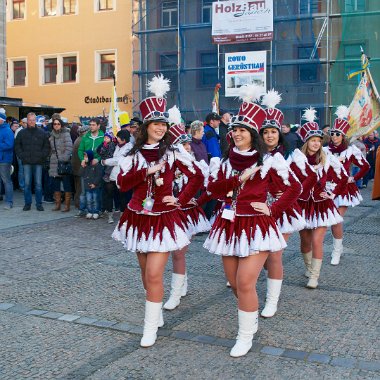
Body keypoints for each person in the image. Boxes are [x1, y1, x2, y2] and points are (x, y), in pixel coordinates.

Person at [203, 84, 301, 358]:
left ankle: (245, 334)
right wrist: (238, 179)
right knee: (234, 283)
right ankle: (252, 312)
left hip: (257, 226)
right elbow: (213, 190)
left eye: (242, 130)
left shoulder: (269, 160)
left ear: (253, 135)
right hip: (228, 225)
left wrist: (273, 209)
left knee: (245, 281)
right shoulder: (224, 162)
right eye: (234, 130)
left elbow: (294, 189)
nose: (236, 134)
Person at [112, 75, 202, 348]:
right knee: (145, 273)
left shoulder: (173, 152)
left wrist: (181, 198)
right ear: (147, 127)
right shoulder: (131, 153)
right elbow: (121, 183)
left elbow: (197, 176)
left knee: (153, 273)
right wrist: (145, 172)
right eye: (157, 124)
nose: (161, 128)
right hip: (137, 217)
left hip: (164, 218)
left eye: (164, 124)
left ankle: (149, 328)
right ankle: (157, 308)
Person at [258, 90, 307, 318]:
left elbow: (301, 183)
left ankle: (272, 300)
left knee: (275, 254)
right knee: (265, 255)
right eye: (265, 132)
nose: (269, 136)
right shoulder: (254, 155)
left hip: (282, 210)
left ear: (280, 133)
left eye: (273, 132)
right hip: (257, 211)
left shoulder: (291, 155)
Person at [295, 108, 348, 288]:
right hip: (302, 205)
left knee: (317, 241)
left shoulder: (327, 159)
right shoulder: (297, 160)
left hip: (321, 205)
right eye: (313, 140)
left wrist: (333, 193)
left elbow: (342, 177)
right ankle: (309, 267)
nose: (316, 143)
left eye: (318, 140)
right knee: (305, 242)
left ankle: (314, 276)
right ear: (306, 142)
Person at [163, 114, 211, 311]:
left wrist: (192, 199)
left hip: (188, 212)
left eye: (188, 144)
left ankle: (175, 293)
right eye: (184, 145)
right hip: (169, 211)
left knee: (179, 252)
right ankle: (182, 281)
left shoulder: (193, 164)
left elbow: (205, 185)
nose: (188, 148)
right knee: (173, 252)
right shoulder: (166, 162)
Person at [325, 106, 370, 265]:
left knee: (336, 219)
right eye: (332, 134)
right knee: (331, 220)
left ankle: (336, 251)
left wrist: (354, 177)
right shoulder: (325, 150)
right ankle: (339, 246)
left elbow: (365, 166)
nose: (334, 136)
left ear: (343, 135)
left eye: (338, 134)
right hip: (328, 189)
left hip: (344, 189)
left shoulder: (351, 150)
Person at [15, 112, 50, 211]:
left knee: (38, 184)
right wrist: (22, 156)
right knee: (27, 184)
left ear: (35, 120)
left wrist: (42, 156)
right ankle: (27, 203)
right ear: (27, 120)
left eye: (33, 120)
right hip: (26, 162)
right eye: (29, 120)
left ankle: (39, 203)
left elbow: (47, 147)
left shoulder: (42, 132)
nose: (31, 122)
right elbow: (17, 146)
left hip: (38, 162)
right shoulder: (22, 133)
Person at [102, 129, 132, 222]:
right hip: (112, 174)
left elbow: (118, 160)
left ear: (124, 138)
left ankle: (123, 214)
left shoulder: (129, 147)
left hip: (122, 174)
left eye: (118, 137)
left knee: (122, 196)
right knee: (109, 194)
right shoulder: (117, 146)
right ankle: (110, 214)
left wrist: (105, 162)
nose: (117, 138)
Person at [49, 118, 74, 212]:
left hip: (64, 163)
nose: (56, 125)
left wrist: (63, 159)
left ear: (61, 124)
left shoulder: (66, 134)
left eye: (58, 124)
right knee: (56, 185)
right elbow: (50, 149)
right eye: (54, 124)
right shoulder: (51, 135)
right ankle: (57, 204)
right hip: (54, 162)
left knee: (67, 184)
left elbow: (69, 148)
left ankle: (67, 206)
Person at [72, 125, 89, 214]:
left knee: (78, 187)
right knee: (80, 188)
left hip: (76, 167)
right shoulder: (83, 140)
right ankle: (79, 205)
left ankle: (78, 203)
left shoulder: (78, 139)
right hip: (80, 168)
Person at [81, 150, 103, 219]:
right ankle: (90, 211)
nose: (85, 158)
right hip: (87, 186)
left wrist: (95, 183)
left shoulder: (96, 165)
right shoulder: (85, 165)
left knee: (96, 199)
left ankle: (96, 211)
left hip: (95, 186)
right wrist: (82, 166)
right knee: (89, 199)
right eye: (84, 156)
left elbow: (99, 175)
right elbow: (80, 174)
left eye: (86, 156)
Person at [0, 109, 15, 210]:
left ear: (1, 120)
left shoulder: (7, 130)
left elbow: (9, 145)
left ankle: (9, 202)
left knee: (6, 181)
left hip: (5, 160)